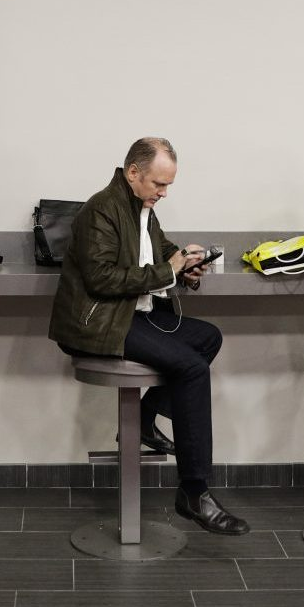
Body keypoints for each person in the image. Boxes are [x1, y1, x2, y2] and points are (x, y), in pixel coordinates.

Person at [49, 137, 249, 536]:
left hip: (132, 314)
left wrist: (187, 264)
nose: (164, 192)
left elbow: (160, 253)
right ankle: (194, 491)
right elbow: (102, 278)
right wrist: (168, 272)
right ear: (133, 173)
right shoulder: (100, 210)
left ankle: (141, 417)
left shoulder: (142, 208)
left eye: (168, 185)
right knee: (191, 369)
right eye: (159, 184)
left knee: (207, 338)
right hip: (102, 321)